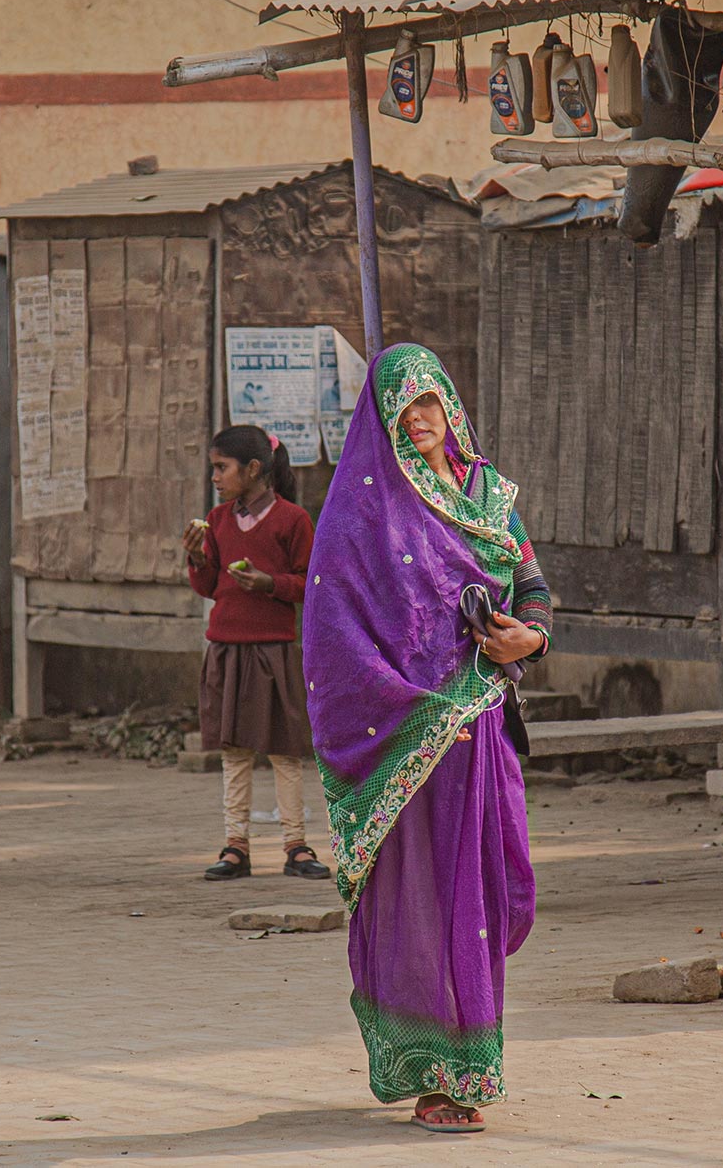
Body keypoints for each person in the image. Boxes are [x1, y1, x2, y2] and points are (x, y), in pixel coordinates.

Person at [305, 344, 549, 1134]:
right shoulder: (360, 513)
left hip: (483, 732)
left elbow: (535, 587)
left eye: (429, 402)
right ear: (381, 418)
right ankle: (441, 1076)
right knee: (424, 902)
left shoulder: (490, 494)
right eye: (401, 405)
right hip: (407, 743)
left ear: (452, 406)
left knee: (485, 898)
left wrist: (530, 640)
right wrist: (410, 700)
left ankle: (468, 1058)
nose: (418, 419)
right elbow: (332, 630)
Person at [180, 425, 326, 882]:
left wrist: (271, 584)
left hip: (273, 650)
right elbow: (209, 587)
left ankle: (296, 845)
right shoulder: (218, 521)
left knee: (284, 751)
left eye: (222, 468)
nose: (216, 478)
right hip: (226, 648)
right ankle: (235, 845)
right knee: (234, 749)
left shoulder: (293, 521)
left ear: (254, 469)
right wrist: (198, 560)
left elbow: (312, 585)